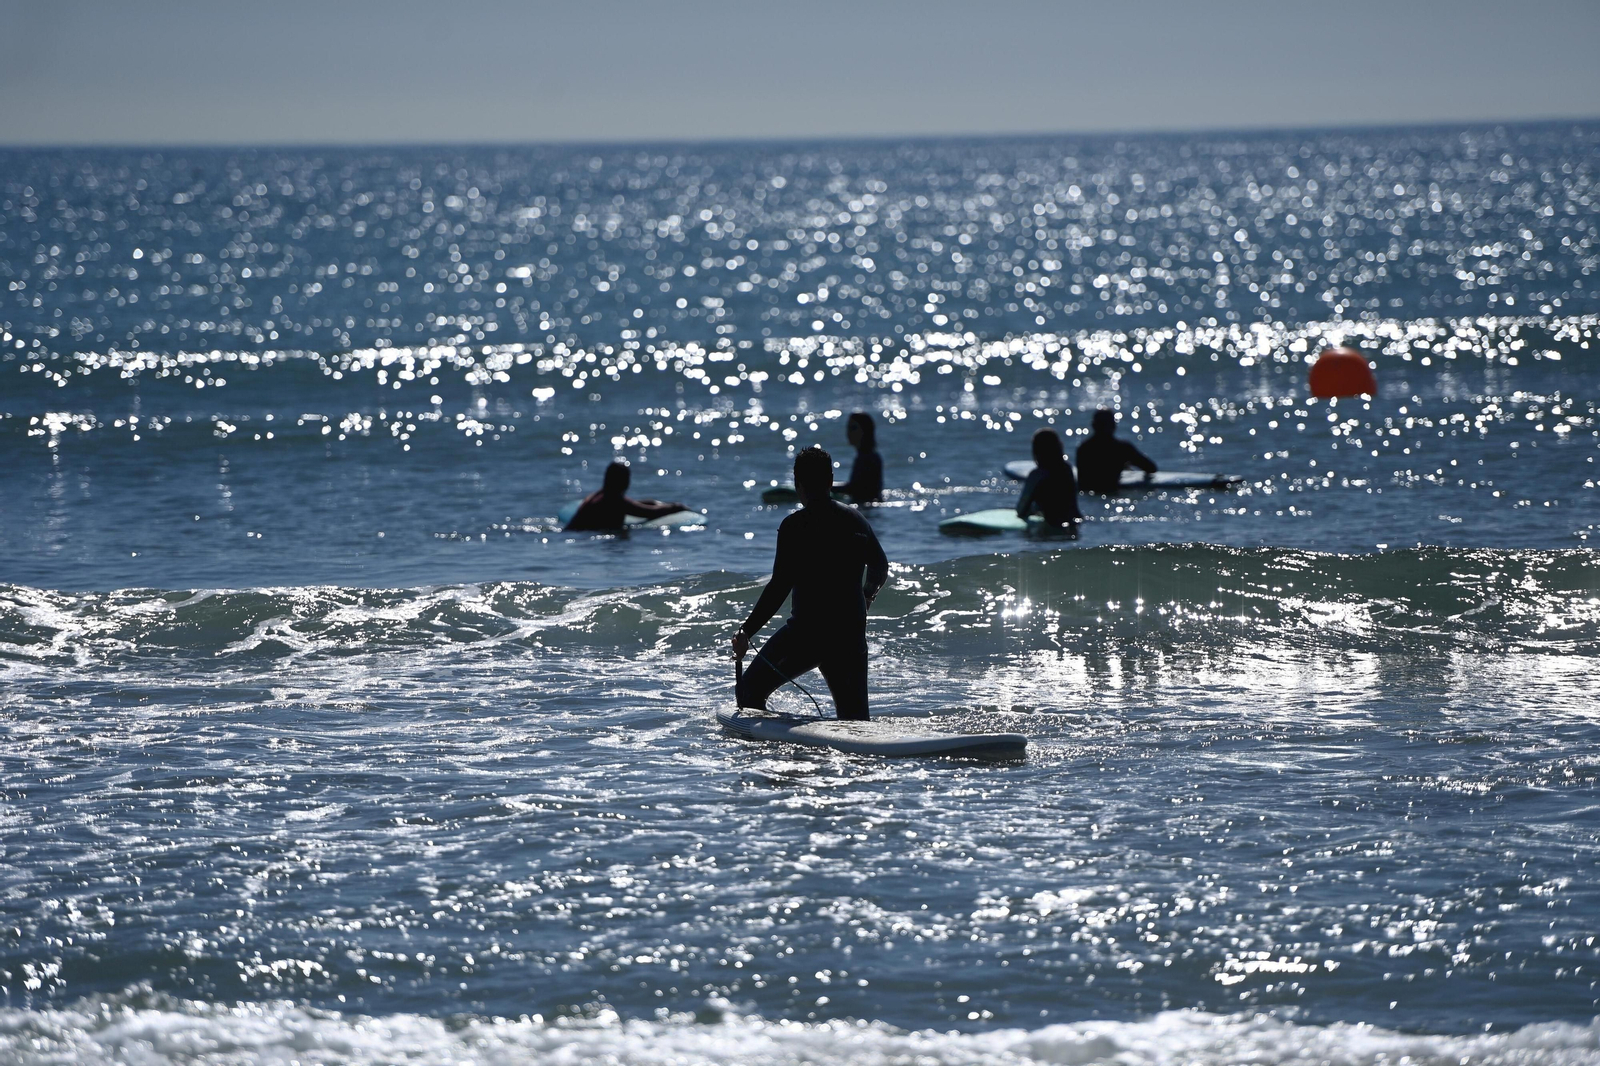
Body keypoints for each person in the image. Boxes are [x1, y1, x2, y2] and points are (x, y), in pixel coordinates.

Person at [732, 446, 889, 721]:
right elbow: (880, 566)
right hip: (849, 636)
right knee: (856, 723)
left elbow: (779, 586)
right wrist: (867, 597)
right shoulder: (855, 520)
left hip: (807, 635)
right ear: (830, 480)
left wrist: (747, 631)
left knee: (749, 692)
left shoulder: (795, 526)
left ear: (798, 484)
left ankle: (772, 756)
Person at [564, 460, 687, 531]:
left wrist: (652, 502)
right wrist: (676, 507)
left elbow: (634, 505)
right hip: (582, 537)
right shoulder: (614, 501)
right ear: (622, 481)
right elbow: (649, 513)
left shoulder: (597, 495)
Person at [1075, 409, 1157, 494]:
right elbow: (1151, 468)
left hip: (1086, 496)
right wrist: (1127, 462)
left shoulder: (1083, 448)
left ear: (1093, 425)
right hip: (1111, 494)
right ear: (1114, 426)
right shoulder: (1122, 449)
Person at [1017, 429, 1081, 529]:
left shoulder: (1036, 475)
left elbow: (1021, 510)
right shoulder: (1067, 470)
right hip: (1074, 522)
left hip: (1050, 526)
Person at [834, 411, 883, 504]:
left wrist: (825, 488)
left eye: (853, 428)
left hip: (868, 508)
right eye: (848, 428)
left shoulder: (868, 458)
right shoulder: (867, 456)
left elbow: (854, 489)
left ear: (865, 431)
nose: (848, 433)